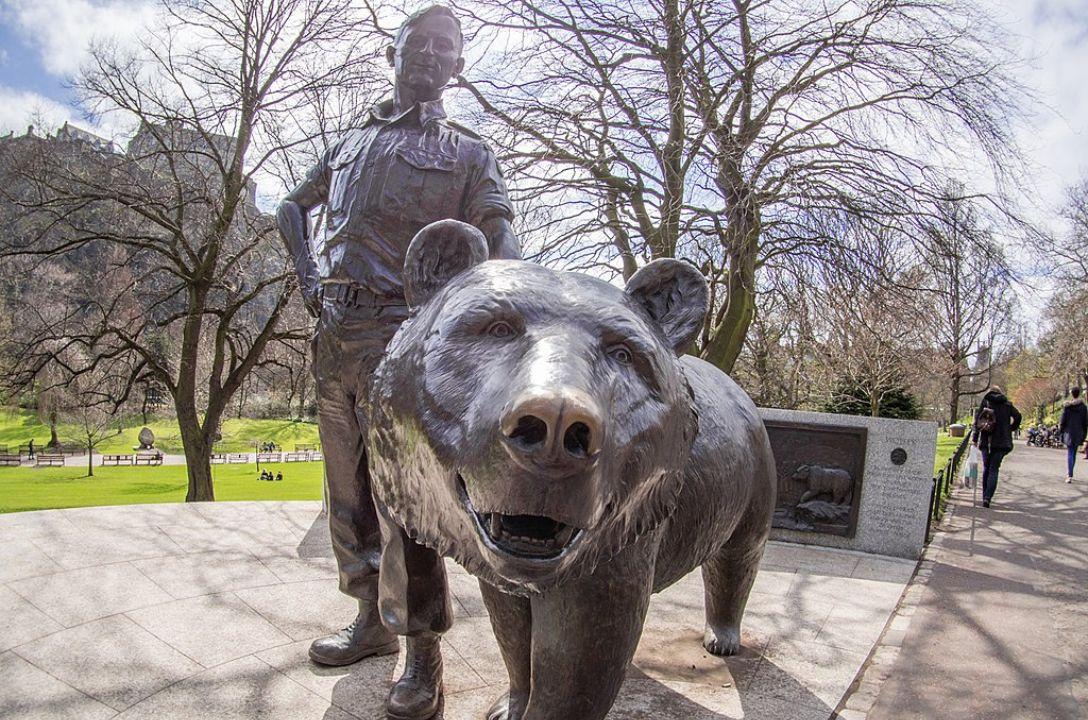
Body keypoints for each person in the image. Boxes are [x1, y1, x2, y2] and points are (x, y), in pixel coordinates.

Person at [276, 6, 518, 719]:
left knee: (406, 503)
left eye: (447, 46)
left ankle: (424, 658)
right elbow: (292, 206)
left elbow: (499, 237)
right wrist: (306, 278)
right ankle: (369, 623)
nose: (432, 53)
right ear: (395, 51)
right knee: (346, 496)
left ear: (458, 67)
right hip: (333, 332)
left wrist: (503, 312)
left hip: (402, 335)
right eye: (421, 41)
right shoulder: (352, 139)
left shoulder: (470, 152)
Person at [971, 385, 1022, 508]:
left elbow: (977, 421)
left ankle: (984, 496)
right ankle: (988, 497)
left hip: (986, 441)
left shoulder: (986, 403)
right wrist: (1010, 428)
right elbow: (1018, 416)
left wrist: (974, 438)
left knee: (986, 469)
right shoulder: (1007, 405)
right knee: (994, 469)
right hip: (1002, 442)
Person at [1059, 387, 1087, 483]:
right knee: (1073, 452)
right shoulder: (1083, 407)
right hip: (1079, 432)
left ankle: (1069, 474)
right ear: (1079, 394)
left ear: (1072, 394)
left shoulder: (1067, 407)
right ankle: (1070, 473)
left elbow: (1062, 420)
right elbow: (1085, 422)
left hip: (1069, 432)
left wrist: (1061, 430)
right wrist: (1084, 433)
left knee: (1070, 452)